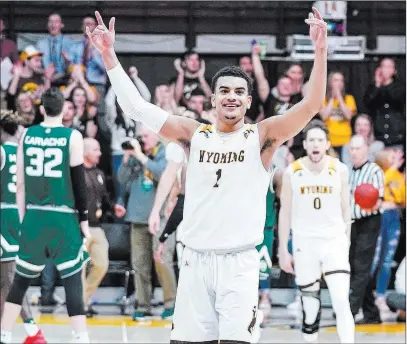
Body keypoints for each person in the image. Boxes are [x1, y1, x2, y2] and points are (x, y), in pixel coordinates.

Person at [86, 8, 328, 343]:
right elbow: (138, 108)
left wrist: (320, 50)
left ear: (247, 101)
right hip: (196, 262)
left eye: (239, 92)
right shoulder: (192, 134)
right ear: (213, 99)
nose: (231, 96)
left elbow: (313, 103)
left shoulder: (261, 137)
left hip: (239, 263)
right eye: (225, 91)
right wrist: (109, 56)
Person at [0, 88, 91, 344]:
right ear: (64, 110)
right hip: (62, 217)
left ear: (41, 109)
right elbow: (79, 184)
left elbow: (19, 185)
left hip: (33, 216)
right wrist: (83, 221)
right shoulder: (72, 136)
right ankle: (81, 336)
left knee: (19, 282)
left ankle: (5, 334)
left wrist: (23, 218)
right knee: (73, 280)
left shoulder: (27, 135)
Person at [278, 120, 355, 343]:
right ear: (305, 144)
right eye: (311, 140)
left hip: (333, 241)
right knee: (310, 306)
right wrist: (283, 248)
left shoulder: (339, 169)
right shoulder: (292, 172)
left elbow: (345, 208)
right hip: (305, 243)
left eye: (320, 140)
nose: (315, 144)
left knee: (341, 299)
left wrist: (346, 241)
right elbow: (285, 212)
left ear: (327, 143)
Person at [0, 110, 46, 343]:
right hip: (18, 216)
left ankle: (33, 331)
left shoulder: (3, 151)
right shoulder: (23, 155)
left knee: (9, 280)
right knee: (5, 281)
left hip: (3, 217)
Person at [348, 135, 384, 324]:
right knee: (356, 266)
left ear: (366, 149)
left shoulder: (374, 170)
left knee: (361, 267)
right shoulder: (348, 172)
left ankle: (349, 312)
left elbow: (378, 201)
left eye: (358, 148)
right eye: (352, 149)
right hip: (352, 223)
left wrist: (367, 202)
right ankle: (371, 314)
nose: (354, 152)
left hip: (369, 222)